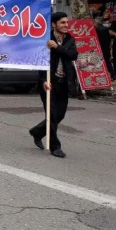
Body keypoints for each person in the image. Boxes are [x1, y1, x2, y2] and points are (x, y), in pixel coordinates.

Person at [28, 12, 79, 158]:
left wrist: (57, 47)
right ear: (54, 24)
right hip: (50, 82)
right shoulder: (45, 39)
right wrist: (43, 79)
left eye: (66, 22)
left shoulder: (69, 39)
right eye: (62, 23)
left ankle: (37, 132)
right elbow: (40, 61)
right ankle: (55, 147)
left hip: (65, 82)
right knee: (51, 114)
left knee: (59, 115)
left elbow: (73, 55)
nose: (65, 25)